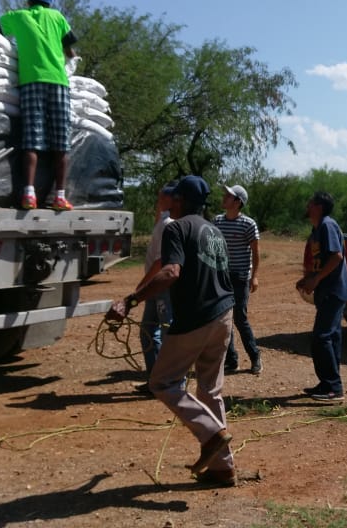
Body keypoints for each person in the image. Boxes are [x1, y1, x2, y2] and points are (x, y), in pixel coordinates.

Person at [105, 175, 237, 487]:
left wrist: (131, 299)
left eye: (174, 198)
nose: (170, 203)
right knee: (210, 389)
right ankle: (223, 468)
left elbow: (171, 270)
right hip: (224, 315)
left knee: (161, 382)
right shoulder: (214, 230)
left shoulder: (175, 228)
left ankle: (211, 433)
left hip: (196, 318)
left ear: (181, 200)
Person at [0, 0, 78, 211]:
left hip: (30, 82)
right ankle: (59, 196)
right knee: (61, 143)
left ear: (29, 2)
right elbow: (70, 49)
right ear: (48, 4)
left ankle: (29, 194)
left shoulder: (17, 16)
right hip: (58, 82)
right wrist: (71, 59)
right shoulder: (57, 17)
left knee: (32, 138)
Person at [295, 191, 347, 402]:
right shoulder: (318, 228)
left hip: (334, 289)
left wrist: (316, 280)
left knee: (322, 337)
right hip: (328, 290)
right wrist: (308, 278)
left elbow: (336, 256)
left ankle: (333, 387)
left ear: (318, 206)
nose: (307, 205)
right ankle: (328, 383)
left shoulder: (327, 225)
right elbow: (320, 259)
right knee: (331, 337)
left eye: (310, 202)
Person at [131, 181, 176, 393]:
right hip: (155, 286)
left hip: (160, 286)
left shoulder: (168, 224)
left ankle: (170, 381)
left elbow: (160, 262)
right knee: (149, 329)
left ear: (169, 199)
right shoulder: (163, 221)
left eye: (161, 197)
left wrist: (142, 286)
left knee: (165, 330)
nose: (157, 200)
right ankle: (156, 380)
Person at [215, 184, 263, 375]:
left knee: (239, 318)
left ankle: (255, 356)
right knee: (224, 318)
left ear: (238, 202)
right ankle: (232, 360)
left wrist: (255, 276)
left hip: (241, 276)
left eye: (229, 196)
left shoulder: (248, 224)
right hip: (222, 276)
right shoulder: (217, 221)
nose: (224, 197)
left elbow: (256, 252)